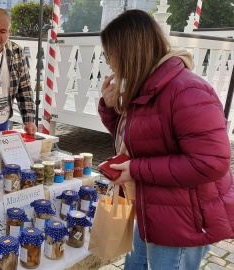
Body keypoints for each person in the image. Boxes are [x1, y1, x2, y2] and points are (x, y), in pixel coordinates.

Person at [98, 10, 234, 270]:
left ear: (129, 51)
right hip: (154, 207)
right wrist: (109, 106)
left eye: (110, 54)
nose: (110, 63)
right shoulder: (148, 85)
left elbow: (211, 163)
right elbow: (136, 139)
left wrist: (136, 169)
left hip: (183, 220)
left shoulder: (186, 89)